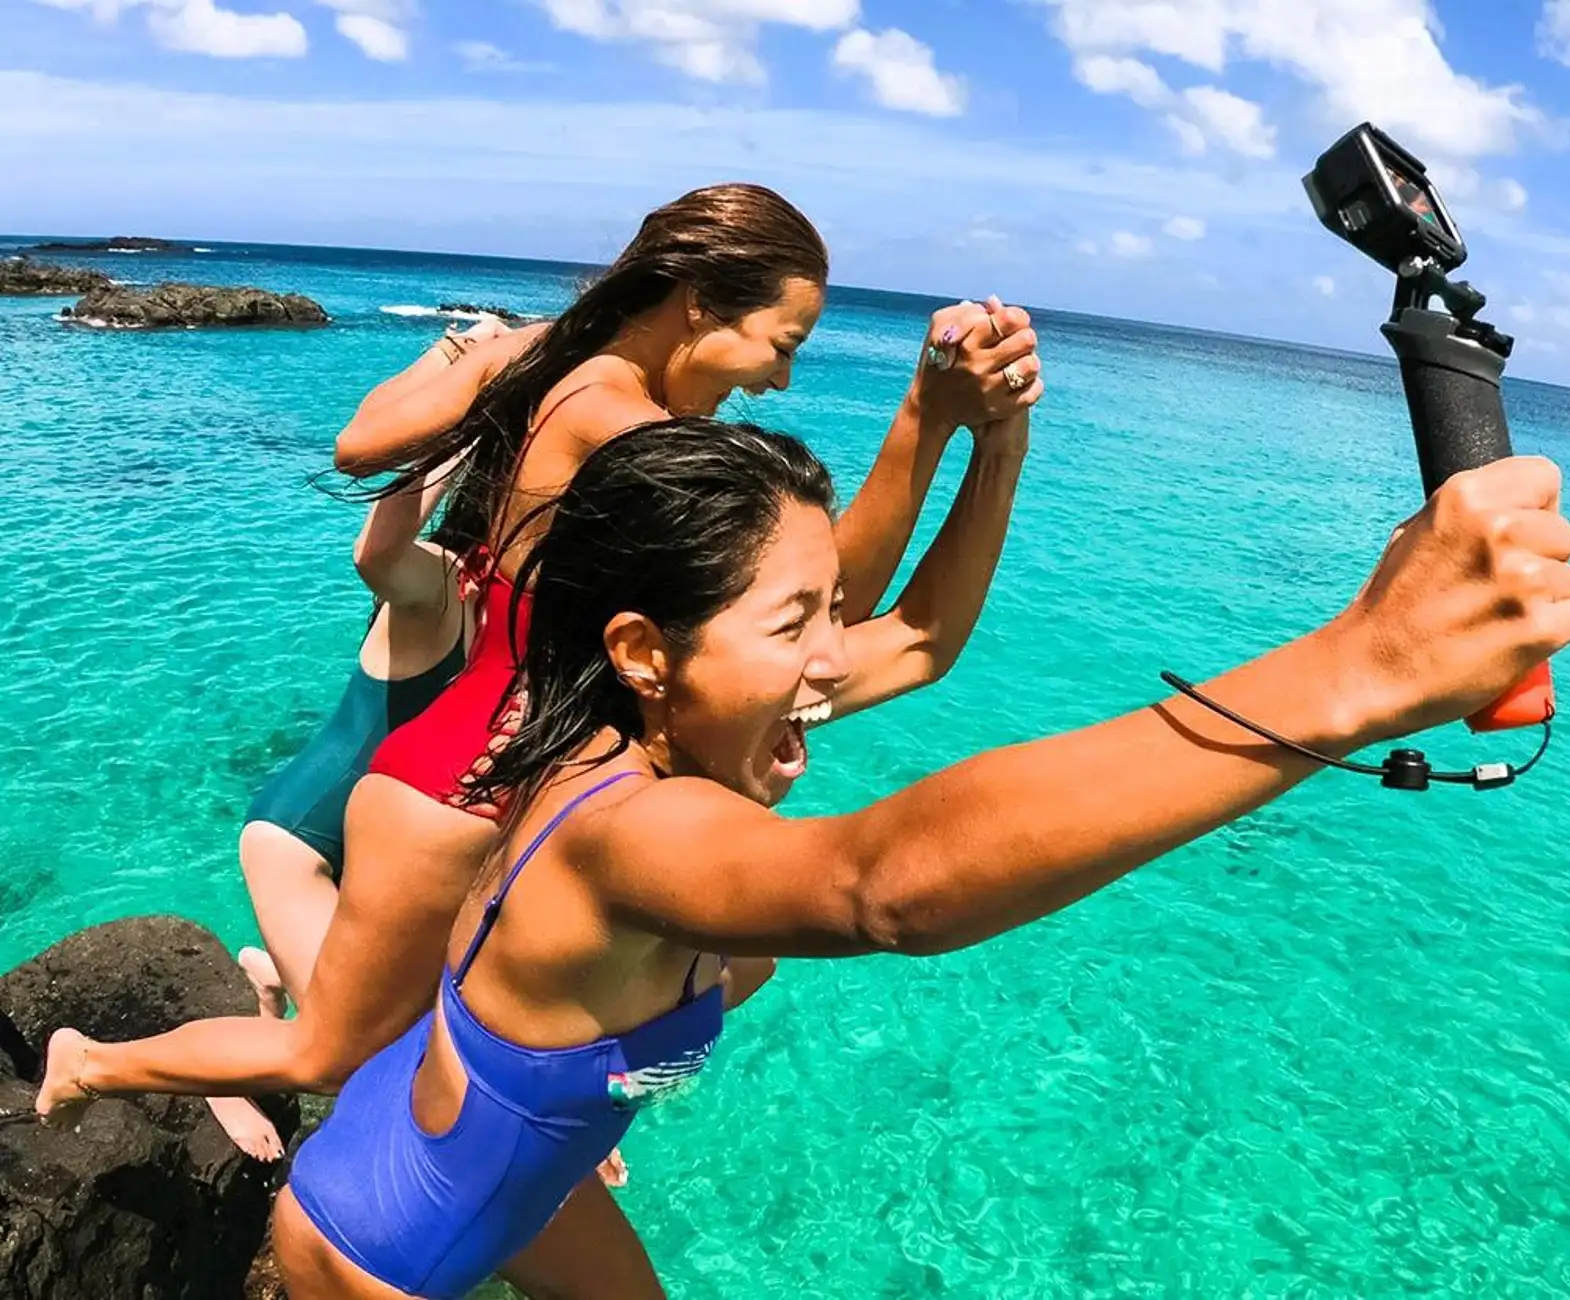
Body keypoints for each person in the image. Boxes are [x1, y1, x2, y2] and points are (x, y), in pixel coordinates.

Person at [259, 417, 1570, 1298]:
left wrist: (591, 1082)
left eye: (831, 611)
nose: (835, 656)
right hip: (377, 1255)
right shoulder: (636, 831)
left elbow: (671, 963)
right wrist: (1351, 674)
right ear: (642, 653)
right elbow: (884, 888)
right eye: (798, 620)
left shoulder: (599, 759)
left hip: (465, 1168)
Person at [36, 183, 1042, 1136]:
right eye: (782, 344)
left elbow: (896, 639)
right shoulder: (615, 418)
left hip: (570, 762)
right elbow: (830, 602)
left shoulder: (568, 367)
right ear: (697, 306)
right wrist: (927, 416)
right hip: (466, 781)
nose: (782, 376)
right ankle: (91, 1062)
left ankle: (556, 1113)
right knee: (326, 1051)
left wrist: (993, 436)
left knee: (736, 968)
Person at [210, 319, 513, 1161]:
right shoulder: (440, 589)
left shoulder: (518, 617)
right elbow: (377, 551)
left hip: (375, 860)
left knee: (424, 1035)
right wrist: (454, 413)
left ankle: (271, 978)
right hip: (298, 846)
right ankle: (218, 1070)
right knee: (348, 1060)